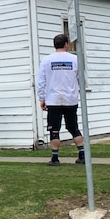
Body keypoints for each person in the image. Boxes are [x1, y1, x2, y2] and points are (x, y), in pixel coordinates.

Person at [36, 33, 85, 166]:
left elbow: (41, 81)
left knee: (54, 129)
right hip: (70, 99)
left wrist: (42, 98)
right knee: (73, 127)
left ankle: (55, 158)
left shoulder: (46, 60)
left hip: (53, 100)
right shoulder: (75, 59)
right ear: (66, 44)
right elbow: (82, 79)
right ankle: (82, 155)